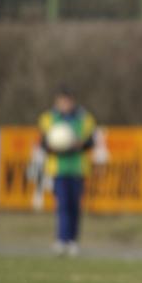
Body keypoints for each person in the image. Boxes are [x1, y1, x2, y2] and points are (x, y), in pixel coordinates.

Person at [38, 89, 97, 257]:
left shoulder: (84, 119)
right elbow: (44, 144)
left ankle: (73, 241)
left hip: (78, 169)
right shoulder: (48, 118)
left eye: (67, 101)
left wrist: (79, 144)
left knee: (74, 206)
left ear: (73, 101)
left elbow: (90, 142)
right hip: (58, 169)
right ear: (57, 102)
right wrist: (55, 146)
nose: (65, 104)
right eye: (62, 101)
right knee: (62, 204)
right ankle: (61, 239)